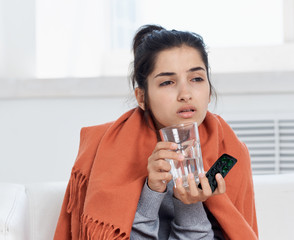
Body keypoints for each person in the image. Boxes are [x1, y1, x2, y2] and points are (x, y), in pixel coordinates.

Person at [54, 24, 259, 240]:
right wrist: (153, 190)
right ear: (142, 98)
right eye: (168, 82)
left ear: (209, 91)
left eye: (196, 79)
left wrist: (188, 203)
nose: (185, 93)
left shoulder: (229, 151)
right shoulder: (107, 151)